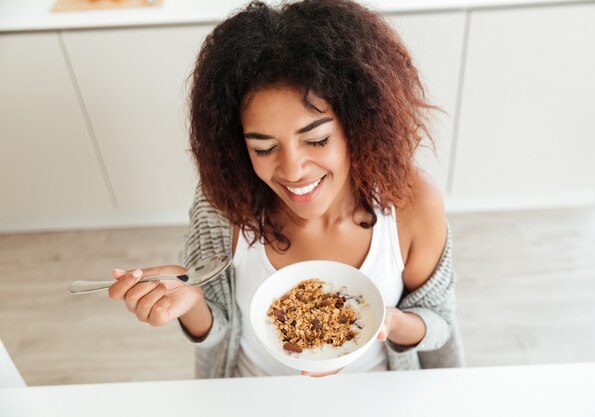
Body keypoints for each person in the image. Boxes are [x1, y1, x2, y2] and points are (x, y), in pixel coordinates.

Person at [108, 0, 463, 378]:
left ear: (358, 125)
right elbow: (218, 331)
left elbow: (439, 323)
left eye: (316, 140)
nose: (293, 170)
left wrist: (389, 323)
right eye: (263, 148)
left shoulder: (410, 201)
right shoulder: (222, 205)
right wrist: (191, 303)